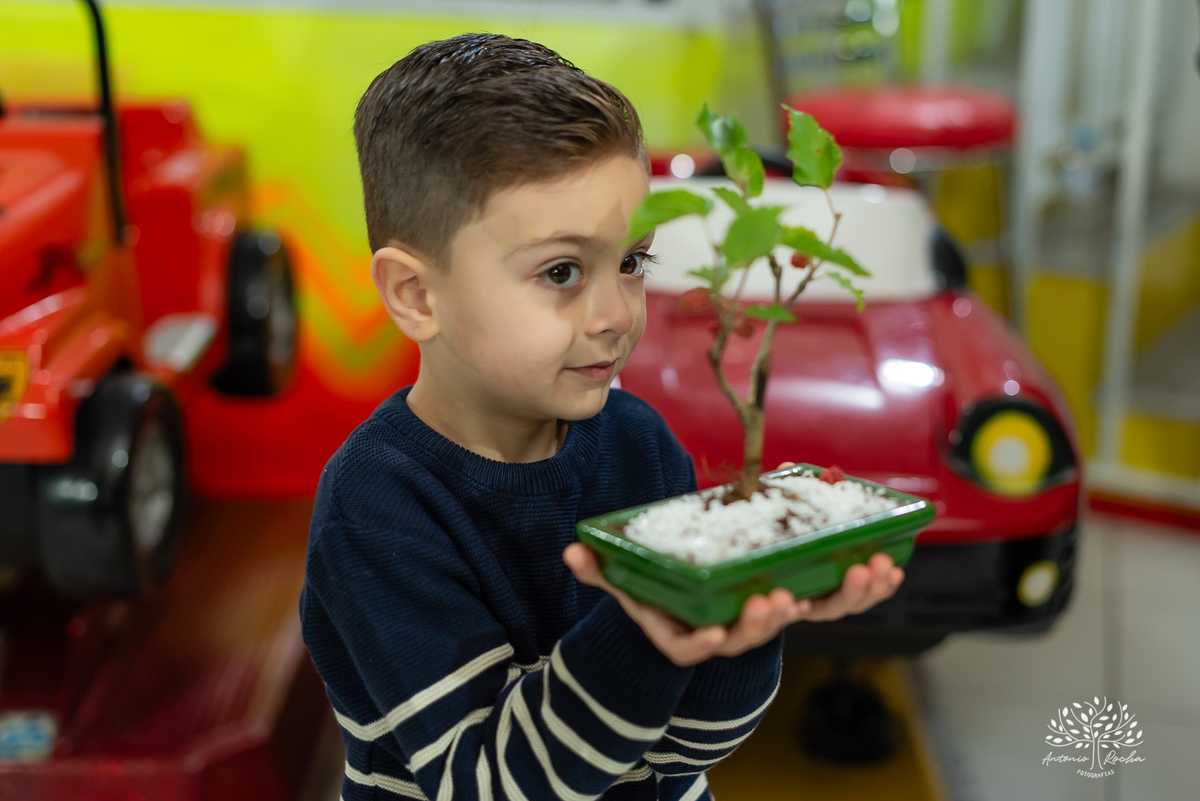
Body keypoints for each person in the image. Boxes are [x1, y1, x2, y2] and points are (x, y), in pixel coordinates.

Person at [299, 33, 905, 801]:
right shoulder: (376, 508)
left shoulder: (640, 443)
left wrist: (745, 616)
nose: (617, 313)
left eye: (633, 261)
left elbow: (687, 748)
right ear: (417, 296)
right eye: (561, 271)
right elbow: (489, 782)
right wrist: (650, 619)